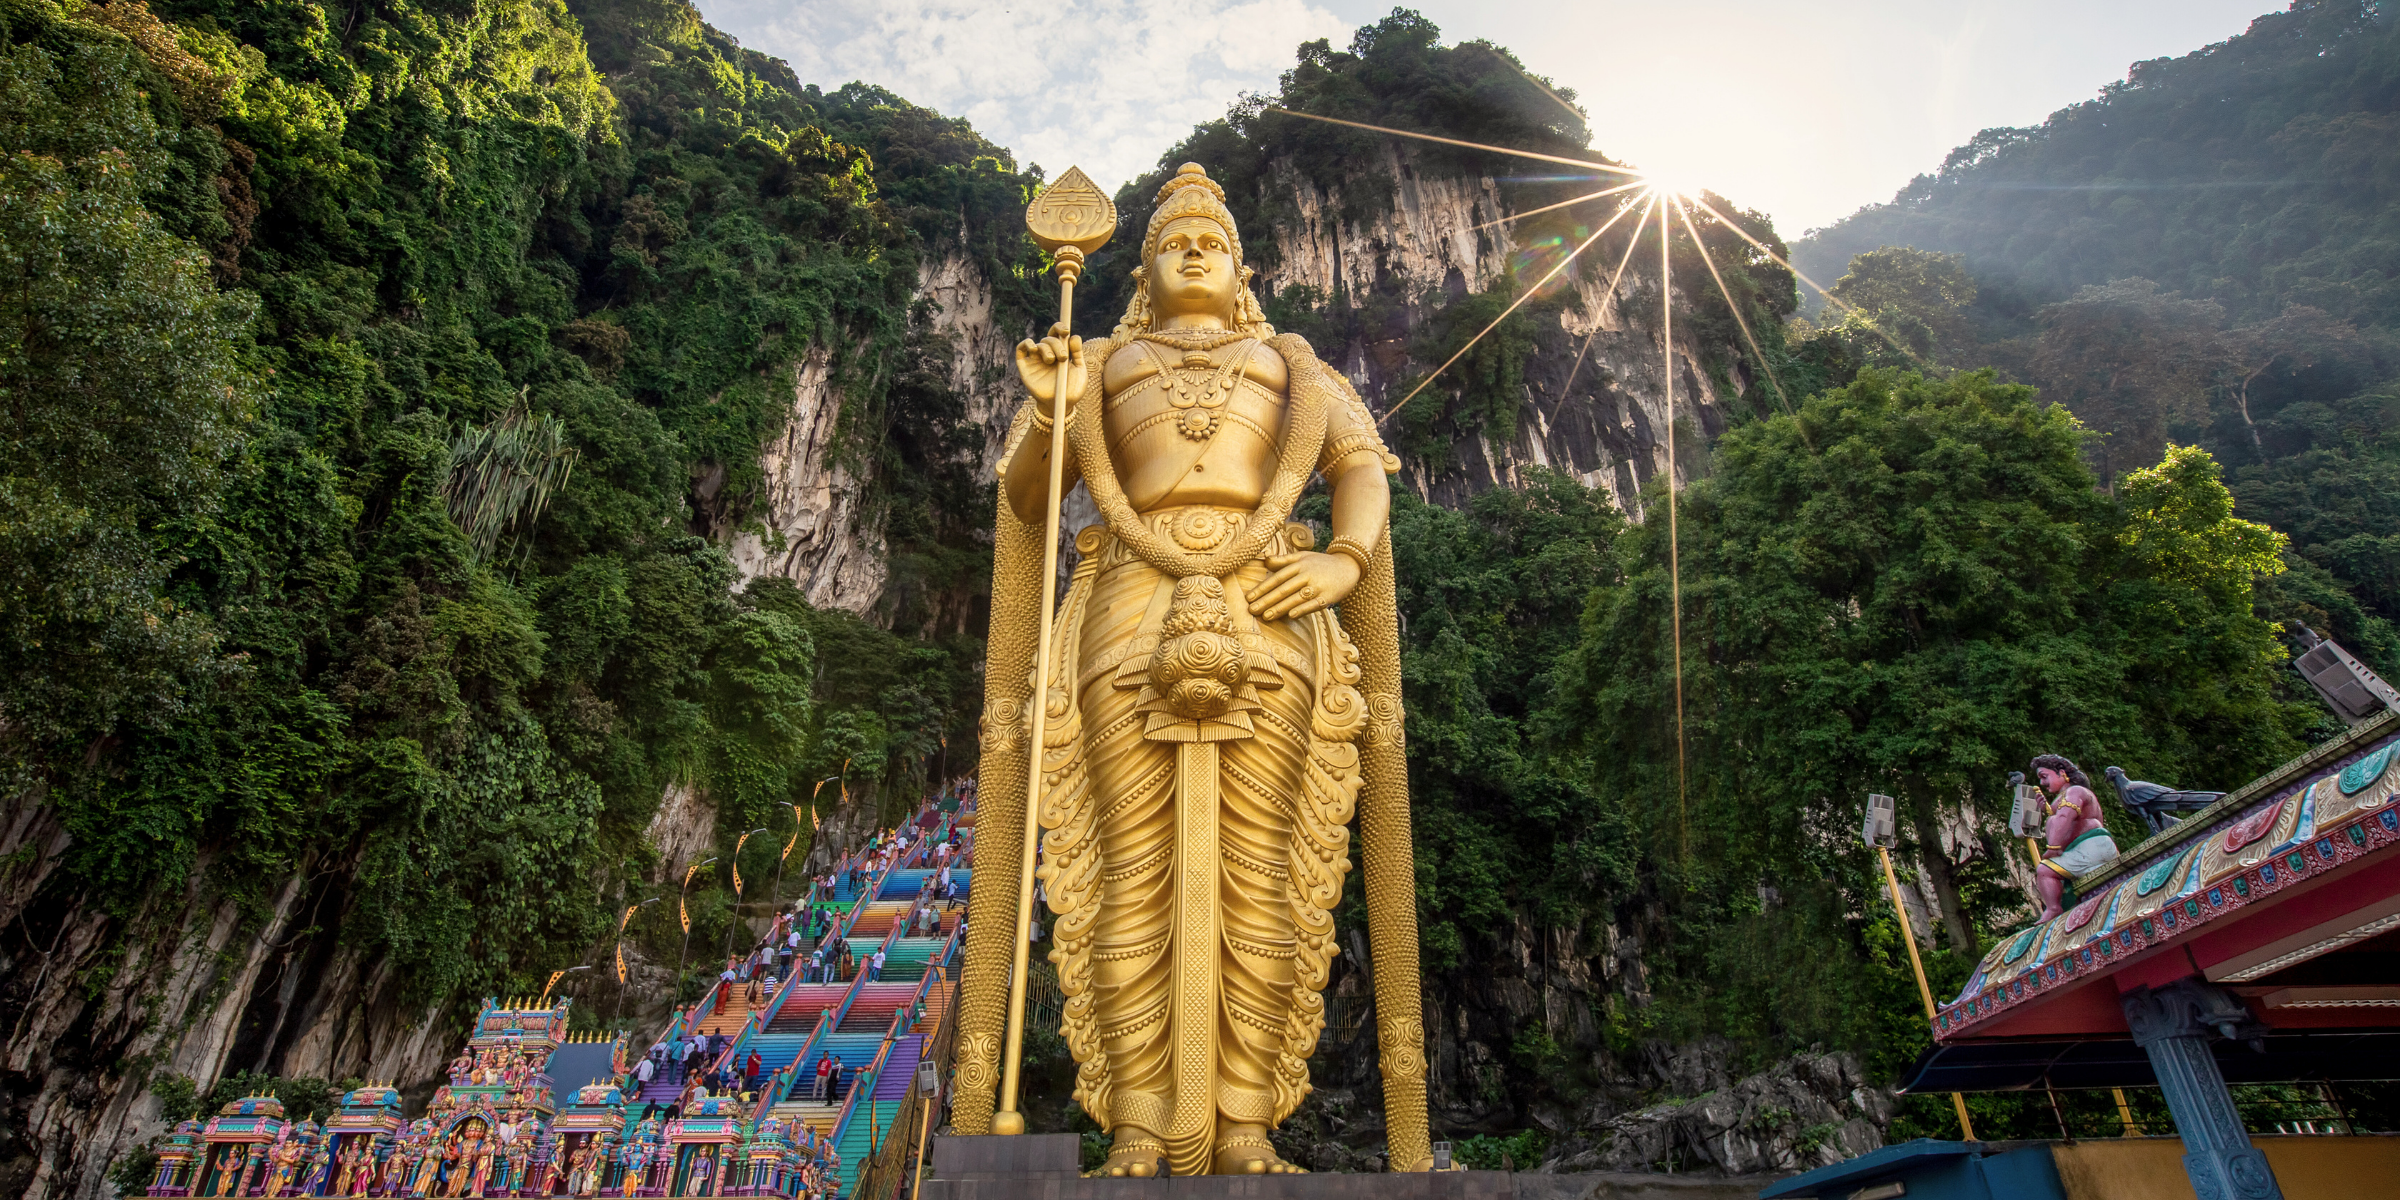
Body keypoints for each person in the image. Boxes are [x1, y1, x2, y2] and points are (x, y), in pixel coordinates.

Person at [2032, 754, 2118, 920]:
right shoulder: (2072, 795)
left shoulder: (2075, 791)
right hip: (2091, 849)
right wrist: (2048, 811)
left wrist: (2053, 848)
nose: (2042, 783)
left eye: (2044, 776)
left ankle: (2053, 909)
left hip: (2089, 848)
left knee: (2044, 870)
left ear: (2062, 773)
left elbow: (2065, 817)